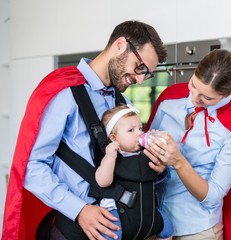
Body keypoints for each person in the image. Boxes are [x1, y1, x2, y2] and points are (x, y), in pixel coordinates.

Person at [2, 20, 168, 240]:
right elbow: (32, 167)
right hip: (73, 229)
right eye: (140, 68)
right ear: (120, 45)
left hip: (117, 228)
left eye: (146, 74)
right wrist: (78, 209)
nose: (139, 79)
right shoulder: (64, 94)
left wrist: (156, 166)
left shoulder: (124, 102)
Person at [143, 49, 231, 240]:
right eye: (193, 85)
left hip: (196, 228)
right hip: (152, 221)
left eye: (207, 98)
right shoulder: (169, 98)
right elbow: (143, 149)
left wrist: (178, 162)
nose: (194, 98)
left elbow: (213, 196)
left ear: (230, 93)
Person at [95, 104, 173, 240]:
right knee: (109, 234)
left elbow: (161, 175)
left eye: (140, 128)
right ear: (114, 138)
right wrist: (109, 157)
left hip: (147, 211)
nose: (139, 133)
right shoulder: (112, 157)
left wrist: (157, 142)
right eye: (131, 130)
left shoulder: (146, 153)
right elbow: (102, 182)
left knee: (168, 228)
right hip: (118, 214)